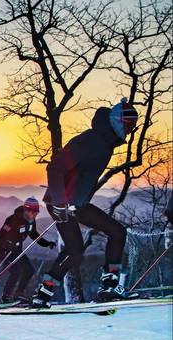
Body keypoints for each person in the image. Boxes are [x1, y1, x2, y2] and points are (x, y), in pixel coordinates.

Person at [32, 99, 138, 308]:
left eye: (133, 125)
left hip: (75, 205)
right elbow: (55, 168)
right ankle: (43, 293)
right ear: (116, 120)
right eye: (127, 123)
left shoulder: (105, 143)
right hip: (61, 203)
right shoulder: (91, 140)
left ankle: (109, 287)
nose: (130, 128)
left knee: (115, 233)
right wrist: (61, 203)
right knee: (76, 250)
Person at [0, 197, 56, 303]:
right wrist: (8, 245)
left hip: (16, 250)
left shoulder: (31, 222)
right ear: (26, 210)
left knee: (29, 270)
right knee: (15, 271)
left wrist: (47, 243)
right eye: (32, 212)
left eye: (36, 212)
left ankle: (18, 294)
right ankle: (6, 296)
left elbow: (34, 235)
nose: (34, 215)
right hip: (4, 250)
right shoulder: (12, 220)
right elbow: (0, 238)